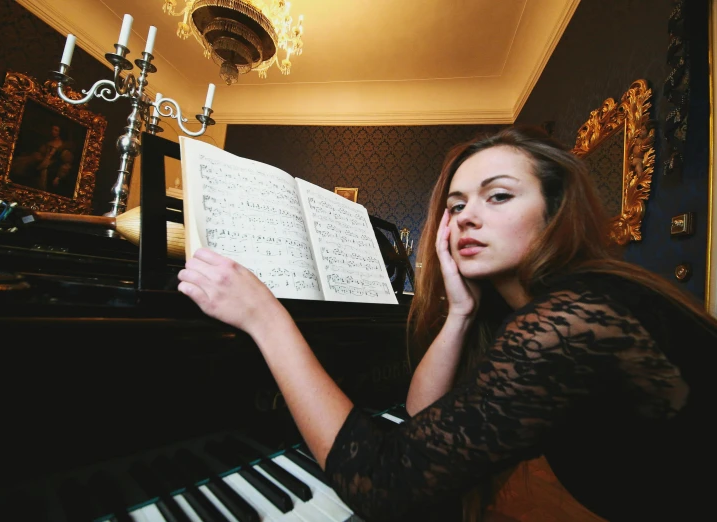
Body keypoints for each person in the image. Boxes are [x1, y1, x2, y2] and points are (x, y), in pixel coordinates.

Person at [177, 125, 714, 521]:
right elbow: (420, 415)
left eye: (498, 196)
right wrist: (459, 313)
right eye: (455, 206)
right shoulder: (544, 309)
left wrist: (267, 317)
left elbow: (384, 485)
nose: (466, 217)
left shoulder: (570, 321)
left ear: (555, 213)